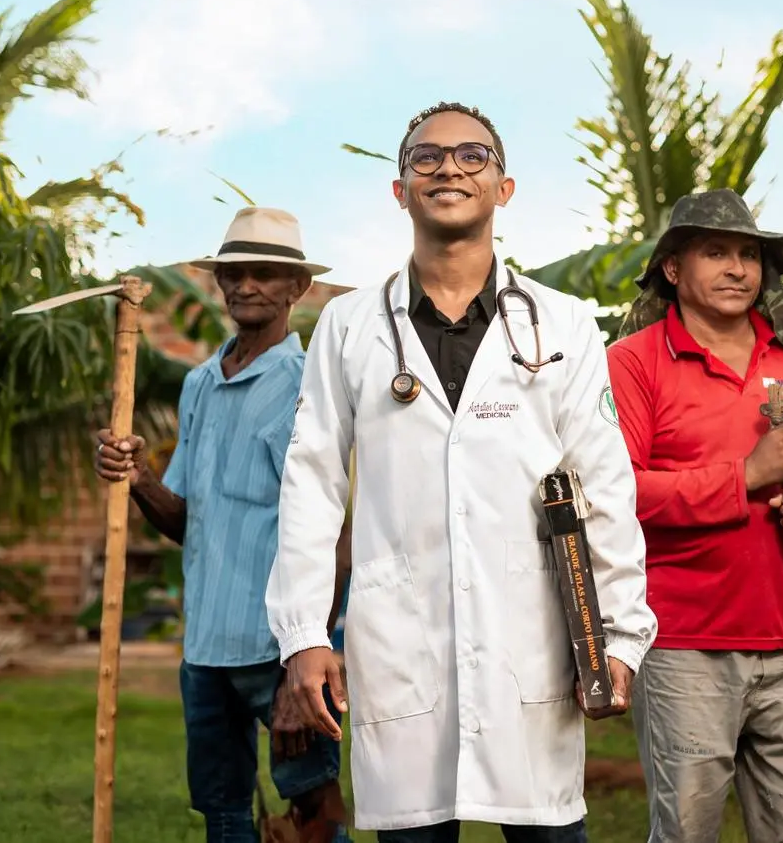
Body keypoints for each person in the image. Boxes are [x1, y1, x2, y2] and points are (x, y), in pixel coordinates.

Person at [263, 101, 658, 842]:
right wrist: (304, 634)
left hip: (533, 639)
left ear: (503, 188)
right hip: (399, 640)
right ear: (400, 189)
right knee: (413, 829)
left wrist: (622, 635)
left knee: (548, 827)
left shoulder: (562, 321)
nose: (449, 167)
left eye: (473, 156)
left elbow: (605, 487)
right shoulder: (349, 327)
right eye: (427, 157)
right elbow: (313, 482)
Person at [605, 188, 783, 843]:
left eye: (748, 254)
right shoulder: (633, 363)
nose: (736, 268)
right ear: (672, 269)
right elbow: (617, 493)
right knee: (688, 832)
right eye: (714, 252)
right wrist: (745, 477)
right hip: (683, 644)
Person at [93, 207, 353, 843]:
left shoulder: (308, 385)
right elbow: (192, 521)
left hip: (278, 651)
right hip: (205, 649)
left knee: (315, 817)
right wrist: (139, 479)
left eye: (264, 274)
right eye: (233, 273)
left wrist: (307, 658)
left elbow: (338, 535)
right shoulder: (199, 384)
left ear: (298, 287)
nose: (245, 286)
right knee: (223, 813)